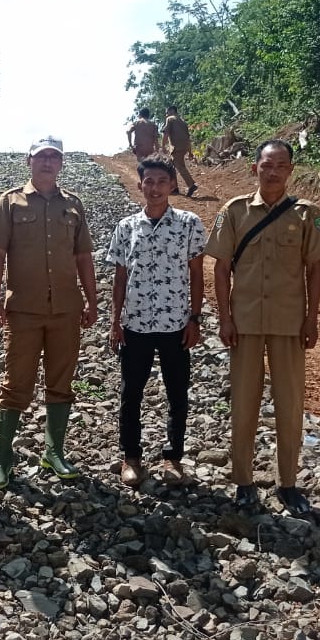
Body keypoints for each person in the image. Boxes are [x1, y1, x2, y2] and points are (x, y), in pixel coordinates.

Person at [207, 139, 320, 515]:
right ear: (254, 169)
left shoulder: (307, 214)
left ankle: (289, 483)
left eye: (281, 165)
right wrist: (225, 317)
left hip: (289, 323)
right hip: (245, 322)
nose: (273, 171)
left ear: (290, 170)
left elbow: (315, 269)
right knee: (244, 403)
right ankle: (244, 481)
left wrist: (312, 319)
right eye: (267, 165)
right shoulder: (234, 211)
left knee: (290, 405)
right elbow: (219, 267)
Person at [0, 136, 98, 488]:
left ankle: (54, 452)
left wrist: (92, 301)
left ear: (61, 163)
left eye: (54, 157)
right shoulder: (10, 202)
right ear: (29, 161)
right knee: (16, 384)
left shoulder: (73, 205)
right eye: (41, 156)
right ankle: (1, 461)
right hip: (24, 311)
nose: (48, 162)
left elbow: (83, 258)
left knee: (61, 383)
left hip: (65, 309)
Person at [108, 154, 207, 487]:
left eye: (161, 181)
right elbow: (120, 278)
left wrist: (195, 318)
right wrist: (115, 321)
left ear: (173, 185)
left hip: (175, 325)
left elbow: (196, 275)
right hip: (135, 323)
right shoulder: (126, 227)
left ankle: (172, 458)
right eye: (148, 181)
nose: (154, 188)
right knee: (131, 393)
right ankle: (131, 457)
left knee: (177, 393)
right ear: (139, 185)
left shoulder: (189, 223)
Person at [161, 105, 198, 198]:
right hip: (184, 146)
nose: (166, 114)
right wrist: (189, 151)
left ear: (172, 111)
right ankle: (174, 187)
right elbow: (188, 137)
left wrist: (163, 146)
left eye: (167, 112)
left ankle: (191, 185)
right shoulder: (183, 121)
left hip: (176, 147)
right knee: (172, 165)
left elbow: (166, 133)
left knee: (179, 166)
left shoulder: (170, 119)